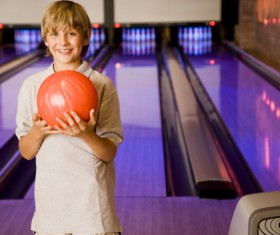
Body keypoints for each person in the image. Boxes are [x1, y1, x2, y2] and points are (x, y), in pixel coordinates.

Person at [15, 1, 123, 235]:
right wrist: (38, 131)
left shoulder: (102, 85)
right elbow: (26, 151)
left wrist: (87, 135)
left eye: (71, 33)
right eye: (54, 34)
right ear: (45, 38)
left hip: (95, 217)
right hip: (50, 219)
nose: (62, 42)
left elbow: (109, 152)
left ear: (85, 37)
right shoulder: (32, 86)